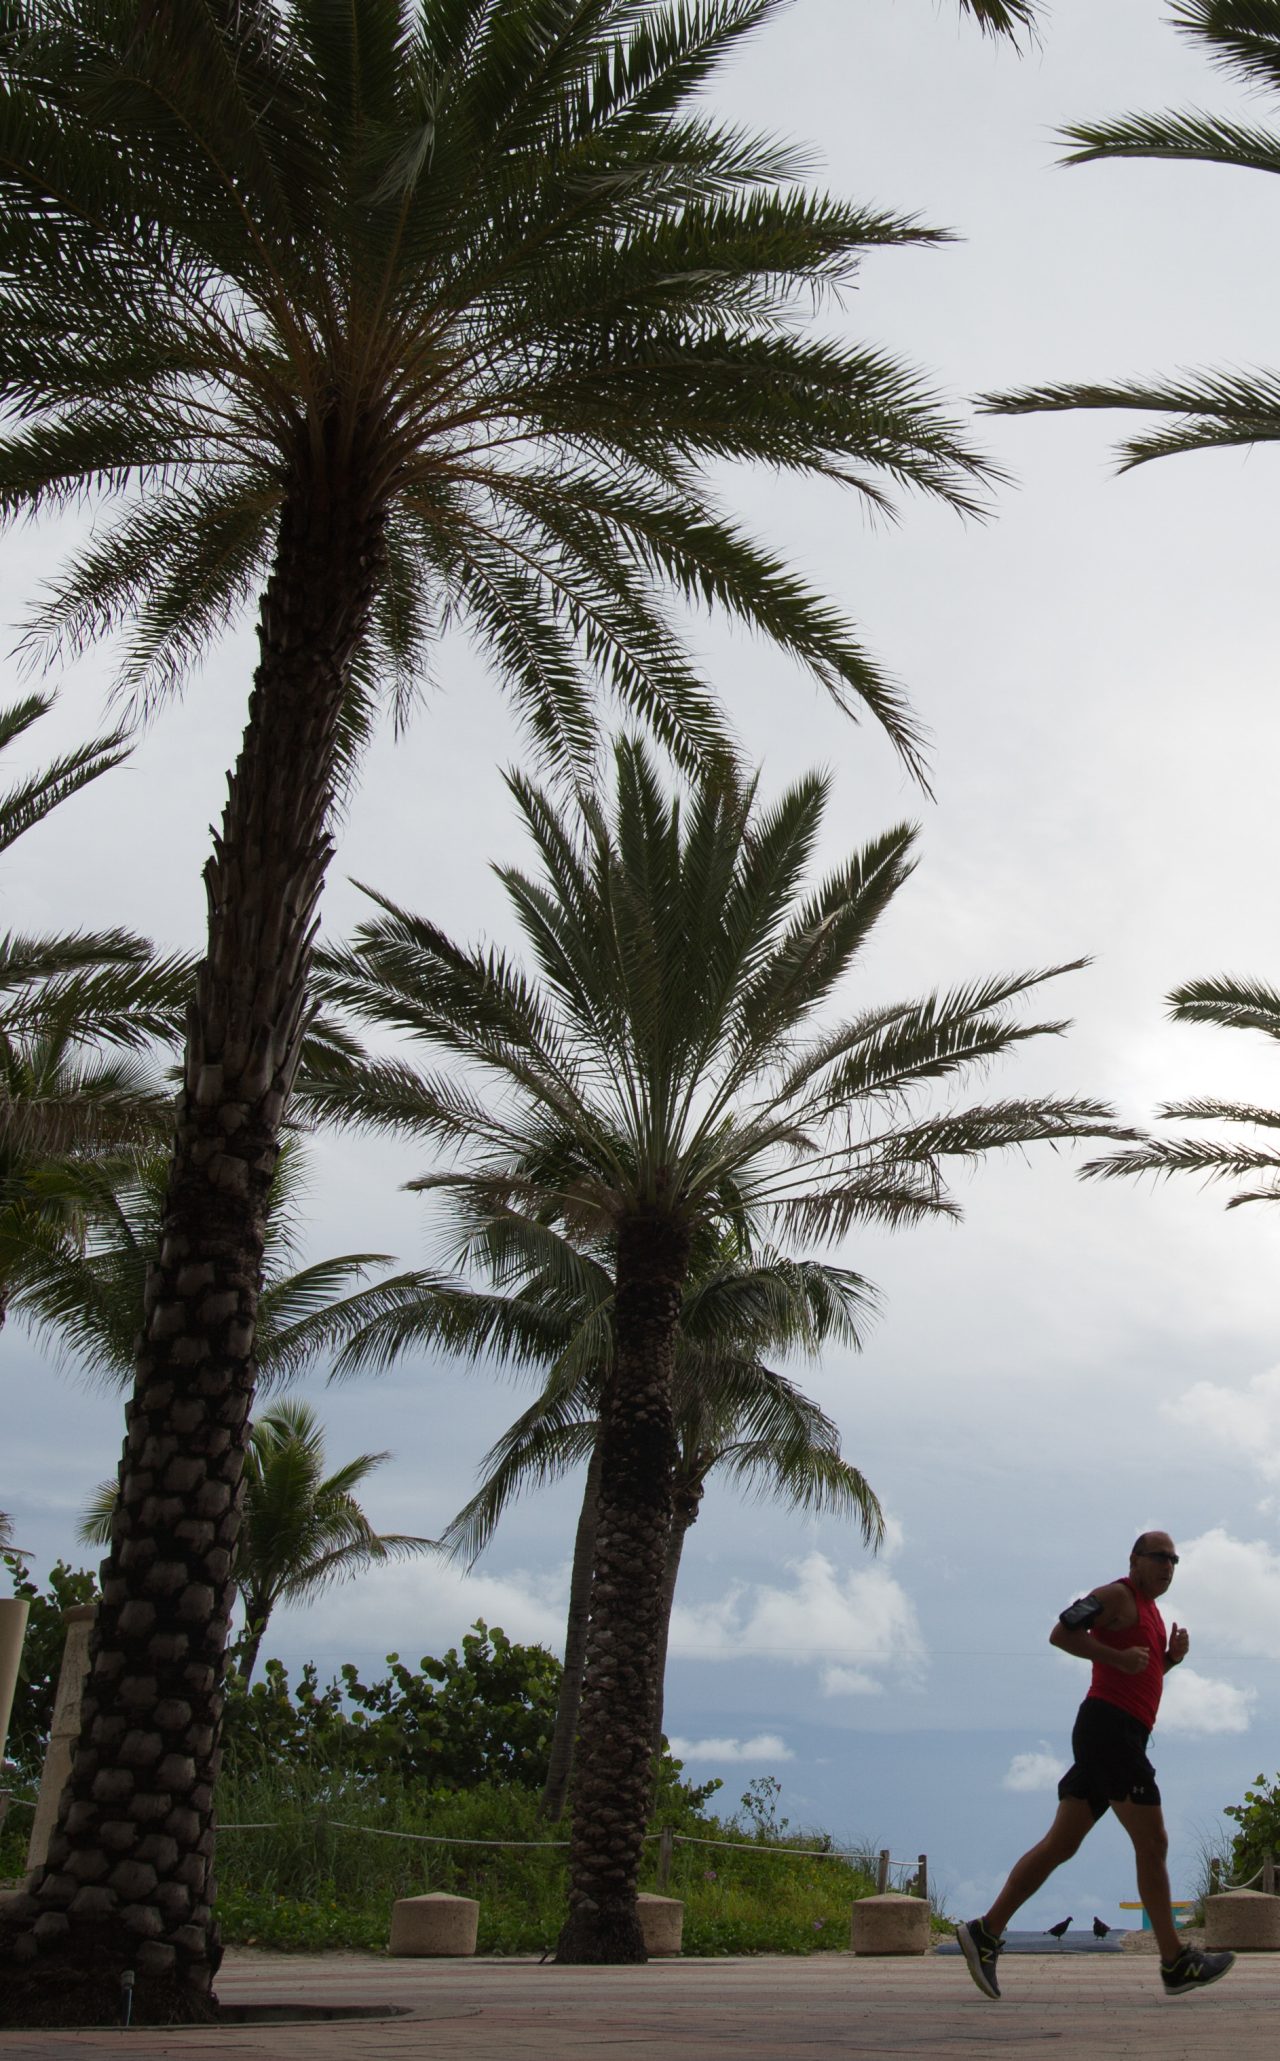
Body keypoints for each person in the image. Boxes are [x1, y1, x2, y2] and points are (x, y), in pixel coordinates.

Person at [956, 1531, 1234, 2001]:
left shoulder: (1150, 1612)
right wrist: (1115, 1656)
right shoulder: (1116, 1596)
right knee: (1153, 1841)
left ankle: (986, 1930)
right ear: (1135, 1560)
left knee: (1060, 1844)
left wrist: (1169, 1661)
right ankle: (1175, 1961)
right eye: (1159, 1557)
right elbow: (1062, 1632)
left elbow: (1136, 1672)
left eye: (1175, 1559)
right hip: (1110, 1732)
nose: (1168, 1565)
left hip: (1116, 1734)